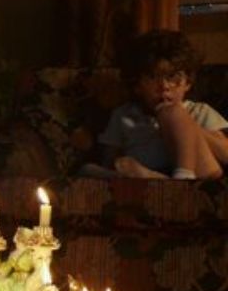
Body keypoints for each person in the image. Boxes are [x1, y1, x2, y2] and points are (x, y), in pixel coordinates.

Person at [94, 30, 228, 180]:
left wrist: (188, 127)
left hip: (200, 177)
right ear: (137, 85)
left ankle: (182, 176)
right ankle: (159, 180)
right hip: (146, 174)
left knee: (171, 113)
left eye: (173, 77)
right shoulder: (124, 114)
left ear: (187, 83)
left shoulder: (199, 111)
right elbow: (109, 158)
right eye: (153, 77)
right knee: (89, 169)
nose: (164, 86)